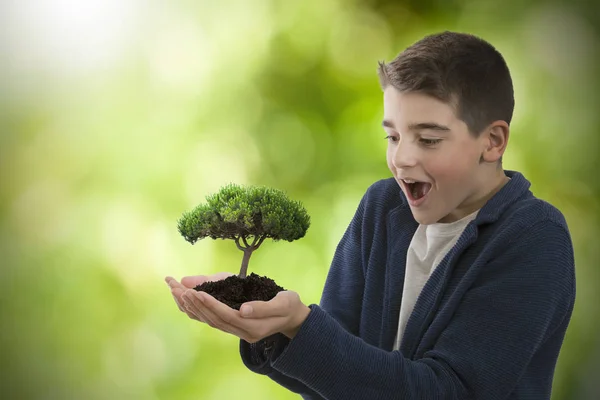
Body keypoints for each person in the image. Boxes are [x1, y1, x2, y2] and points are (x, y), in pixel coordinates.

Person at [166, 31, 576, 400]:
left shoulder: (535, 238)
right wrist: (277, 327)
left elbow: (449, 390)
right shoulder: (382, 209)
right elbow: (337, 371)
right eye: (393, 136)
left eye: (428, 139)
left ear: (492, 141)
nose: (401, 159)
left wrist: (301, 326)